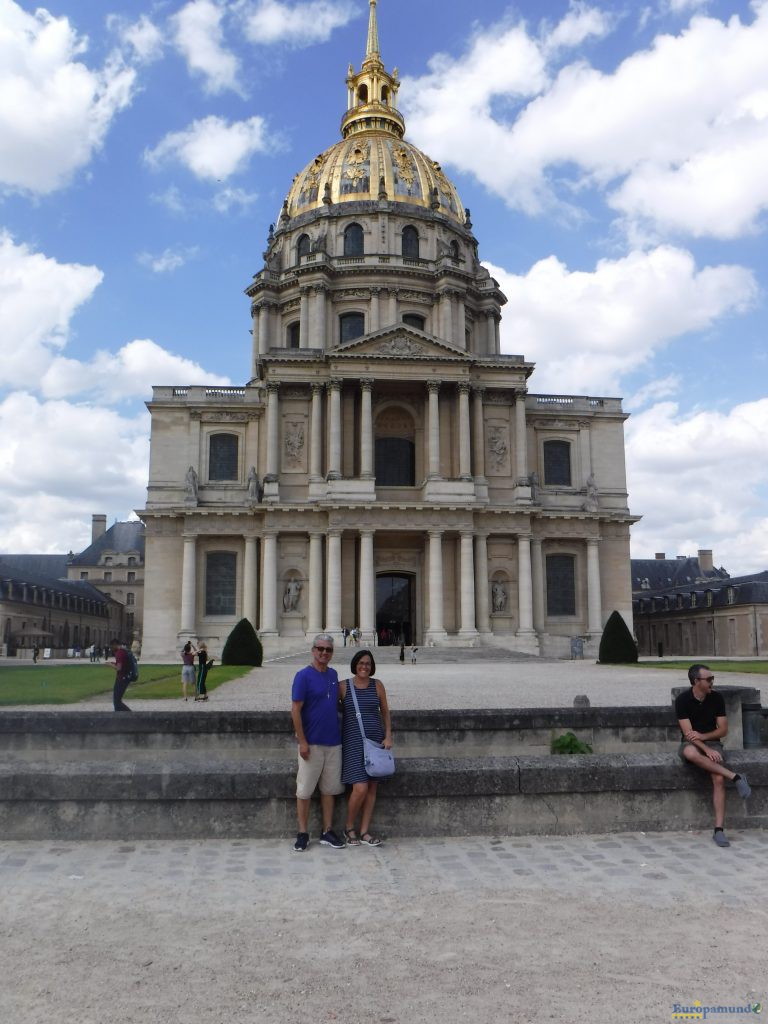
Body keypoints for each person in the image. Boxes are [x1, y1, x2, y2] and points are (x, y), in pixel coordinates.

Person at [676, 663, 751, 847]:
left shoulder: (717, 698)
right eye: (708, 679)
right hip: (691, 743)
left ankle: (719, 830)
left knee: (717, 778)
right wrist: (706, 749)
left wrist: (705, 738)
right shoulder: (682, 700)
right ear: (696, 681)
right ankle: (735, 776)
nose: (712, 682)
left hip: (712, 741)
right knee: (689, 752)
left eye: (712, 678)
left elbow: (723, 730)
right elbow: (688, 734)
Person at [290, 634, 345, 852]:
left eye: (328, 650)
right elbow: (295, 710)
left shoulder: (333, 674)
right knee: (304, 791)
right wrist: (302, 741)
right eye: (320, 648)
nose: (324, 653)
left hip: (333, 742)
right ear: (313, 650)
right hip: (311, 743)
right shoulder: (303, 676)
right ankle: (302, 833)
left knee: (329, 790)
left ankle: (327, 831)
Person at [339, 649, 392, 847]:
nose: (364, 666)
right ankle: (349, 827)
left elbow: (385, 712)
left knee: (371, 789)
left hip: (375, 742)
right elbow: (328, 709)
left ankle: (364, 831)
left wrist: (388, 735)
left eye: (368, 663)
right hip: (353, 742)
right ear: (355, 664)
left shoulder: (377, 685)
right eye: (361, 663)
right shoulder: (343, 686)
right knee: (360, 788)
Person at [109, 638, 132, 712]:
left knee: (117, 701)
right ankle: (121, 715)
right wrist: (114, 663)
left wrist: (110, 665)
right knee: (117, 701)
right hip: (126, 677)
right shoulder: (124, 651)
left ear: (115, 645)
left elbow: (119, 668)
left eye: (111, 647)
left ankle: (130, 715)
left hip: (122, 678)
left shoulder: (119, 653)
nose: (111, 649)